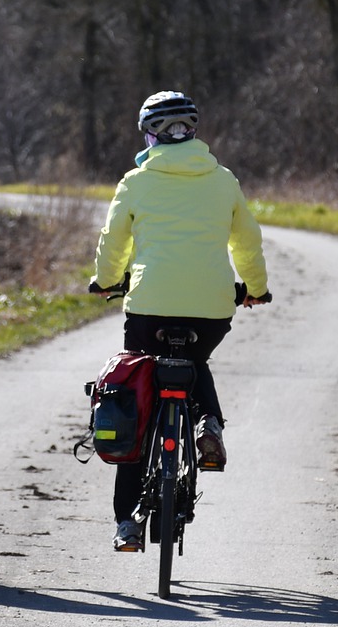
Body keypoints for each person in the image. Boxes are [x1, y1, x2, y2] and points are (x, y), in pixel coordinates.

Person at [89, 90, 270, 552]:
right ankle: (208, 423)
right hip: (210, 306)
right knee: (196, 362)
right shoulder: (223, 179)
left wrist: (107, 281)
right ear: (193, 131)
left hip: (148, 304)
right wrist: (254, 288)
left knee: (141, 397)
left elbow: (114, 243)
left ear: (149, 135)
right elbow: (247, 241)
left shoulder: (135, 181)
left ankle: (126, 523)